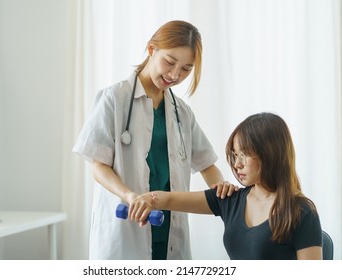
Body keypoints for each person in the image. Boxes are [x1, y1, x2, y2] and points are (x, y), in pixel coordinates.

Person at [72, 20, 236, 260]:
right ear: (151, 49)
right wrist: (130, 196)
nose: (174, 75)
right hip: (127, 225)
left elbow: (206, 164)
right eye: (170, 62)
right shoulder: (114, 99)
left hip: (169, 227)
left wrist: (221, 190)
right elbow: (99, 167)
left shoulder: (181, 111)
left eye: (186, 69)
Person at [130, 112, 323, 260]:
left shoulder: (301, 212)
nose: (237, 164)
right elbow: (170, 198)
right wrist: (147, 200)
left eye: (244, 155)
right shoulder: (231, 199)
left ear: (270, 153)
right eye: (234, 155)